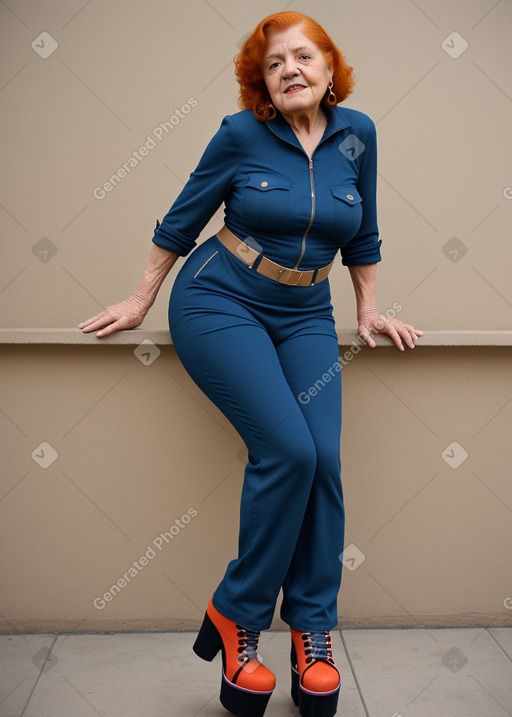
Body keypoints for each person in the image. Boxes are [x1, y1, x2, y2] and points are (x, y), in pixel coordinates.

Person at [79, 11, 423, 717]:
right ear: (261, 81)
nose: (290, 69)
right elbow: (183, 217)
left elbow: (366, 230)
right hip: (219, 299)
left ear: (330, 69)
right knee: (289, 451)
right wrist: (142, 297)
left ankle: (311, 629)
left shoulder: (359, 135)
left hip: (304, 313)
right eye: (275, 63)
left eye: (304, 56)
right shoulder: (241, 135)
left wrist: (367, 312)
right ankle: (240, 616)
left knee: (323, 458)